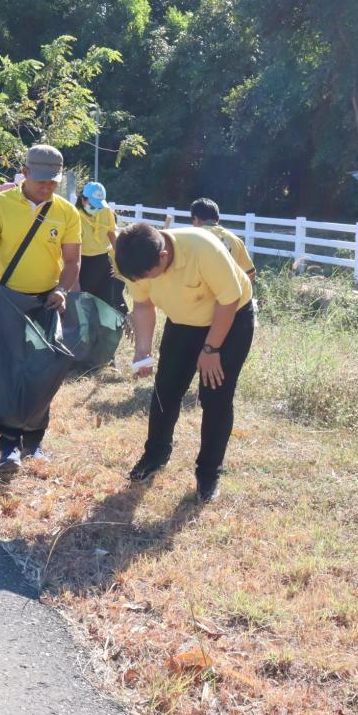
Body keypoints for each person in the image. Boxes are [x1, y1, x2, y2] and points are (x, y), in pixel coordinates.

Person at [116, 222, 255, 503]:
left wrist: (211, 349)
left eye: (148, 275)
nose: (143, 280)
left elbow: (229, 301)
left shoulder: (202, 248)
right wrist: (143, 351)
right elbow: (143, 305)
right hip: (183, 322)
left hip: (231, 319)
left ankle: (208, 473)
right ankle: (155, 454)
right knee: (165, 390)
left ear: (164, 256)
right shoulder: (132, 256)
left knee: (215, 395)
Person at [0, 144, 82, 474]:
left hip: (45, 303)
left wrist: (63, 290)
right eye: (41, 180)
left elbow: (73, 260)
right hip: (6, 300)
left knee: (40, 373)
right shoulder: (0, 204)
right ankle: (8, 448)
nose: (47, 186)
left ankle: (33, 443)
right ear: (25, 171)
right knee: (5, 371)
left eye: (53, 181)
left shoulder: (66, 212)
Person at [75, 181, 125, 313]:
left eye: (99, 205)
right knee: (84, 305)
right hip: (83, 263)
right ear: (83, 199)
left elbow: (111, 233)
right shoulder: (74, 215)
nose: (96, 208)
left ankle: (103, 332)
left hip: (103, 261)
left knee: (106, 303)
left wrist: (120, 258)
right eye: (92, 204)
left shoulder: (106, 211)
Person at [189, 197, 255, 280]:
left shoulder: (192, 237)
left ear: (196, 219)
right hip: (229, 291)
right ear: (218, 219)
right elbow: (250, 273)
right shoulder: (236, 240)